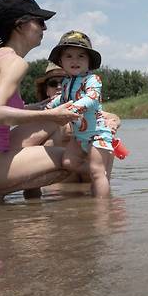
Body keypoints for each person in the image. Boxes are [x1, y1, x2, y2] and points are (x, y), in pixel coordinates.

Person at [0, 0, 79, 202]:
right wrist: (51, 113)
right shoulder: (15, 63)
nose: (45, 28)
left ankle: (2, 194)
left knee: (51, 124)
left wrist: (39, 108)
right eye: (40, 22)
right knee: (70, 160)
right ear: (20, 25)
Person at [46, 30, 115, 198]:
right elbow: (61, 99)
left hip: (98, 134)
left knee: (96, 174)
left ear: (89, 62)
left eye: (81, 56)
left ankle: (102, 208)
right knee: (68, 162)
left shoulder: (93, 80)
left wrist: (72, 109)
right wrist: (49, 109)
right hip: (79, 137)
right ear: (61, 61)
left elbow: (91, 98)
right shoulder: (67, 82)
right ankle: (100, 169)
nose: (75, 60)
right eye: (69, 56)